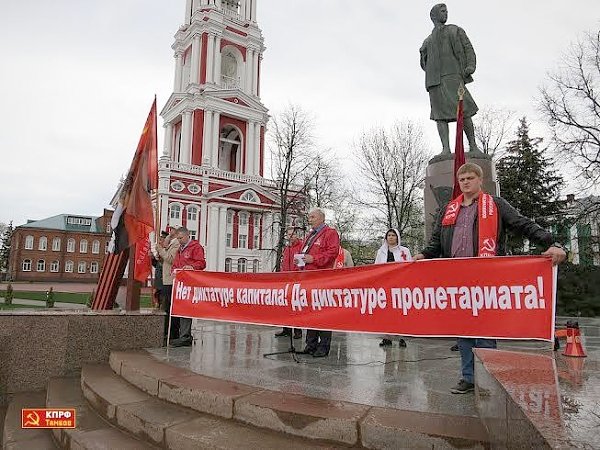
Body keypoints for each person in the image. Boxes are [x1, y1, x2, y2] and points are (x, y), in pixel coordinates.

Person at [414, 163, 567, 394]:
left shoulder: (495, 205)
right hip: (456, 280)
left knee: (485, 329)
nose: (465, 182)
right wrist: (423, 255)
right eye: (462, 179)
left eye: (470, 178)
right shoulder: (449, 209)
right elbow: (436, 242)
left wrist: (551, 243)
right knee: (464, 330)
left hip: (487, 277)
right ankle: (468, 378)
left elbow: (522, 223)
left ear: (480, 180)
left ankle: (489, 375)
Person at [419, 3, 480, 154]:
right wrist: (422, 53)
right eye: (442, 11)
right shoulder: (428, 40)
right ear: (433, 16)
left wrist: (470, 66)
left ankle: (473, 145)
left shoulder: (454, 30)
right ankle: (445, 149)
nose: (446, 13)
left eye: (446, 11)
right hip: (434, 81)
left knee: (463, 109)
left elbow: (468, 48)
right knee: (439, 115)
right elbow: (424, 65)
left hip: (453, 76)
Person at [300, 208, 340, 358]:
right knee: (310, 312)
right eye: (309, 217)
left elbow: (332, 253)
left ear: (321, 218)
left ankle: (323, 347)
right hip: (308, 278)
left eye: (312, 217)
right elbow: (305, 252)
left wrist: (314, 259)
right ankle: (310, 344)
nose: (309, 219)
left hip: (322, 278)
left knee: (322, 313)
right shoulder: (310, 234)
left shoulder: (330, 233)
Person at [169, 227, 207, 347]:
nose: (179, 240)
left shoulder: (196, 247)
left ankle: (185, 336)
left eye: (180, 238)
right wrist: (173, 271)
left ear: (187, 235)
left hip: (190, 283)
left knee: (186, 309)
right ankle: (183, 335)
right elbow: (175, 264)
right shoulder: (180, 250)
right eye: (178, 238)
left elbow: (201, 263)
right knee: (180, 309)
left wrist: (192, 267)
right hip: (180, 284)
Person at [374, 228, 412, 347]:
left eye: (393, 235)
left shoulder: (404, 251)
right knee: (386, 312)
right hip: (386, 285)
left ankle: (401, 337)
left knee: (400, 311)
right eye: (389, 235)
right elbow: (376, 268)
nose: (391, 237)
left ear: (397, 237)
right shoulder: (381, 252)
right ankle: (387, 337)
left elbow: (409, 266)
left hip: (400, 285)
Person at [275, 226, 304, 340]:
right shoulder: (287, 248)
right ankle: (286, 329)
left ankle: (298, 331)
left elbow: (301, 266)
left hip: (296, 281)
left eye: (292, 235)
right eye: (288, 235)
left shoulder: (301, 247)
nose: (290, 237)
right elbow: (284, 264)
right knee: (286, 306)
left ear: (297, 235)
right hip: (286, 280)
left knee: (296, 307)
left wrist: (297, 278)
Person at [156, 229, 181, 343]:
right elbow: (166, 259)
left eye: (172, 230)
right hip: (166, 279)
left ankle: (172, 333)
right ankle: (168, 332)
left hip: (171, 281)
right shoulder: (171, 243)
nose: (169, 232)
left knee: (170, 308)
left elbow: (171, 259)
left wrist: (161, 250)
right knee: (166, 307)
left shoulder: (176, 243)